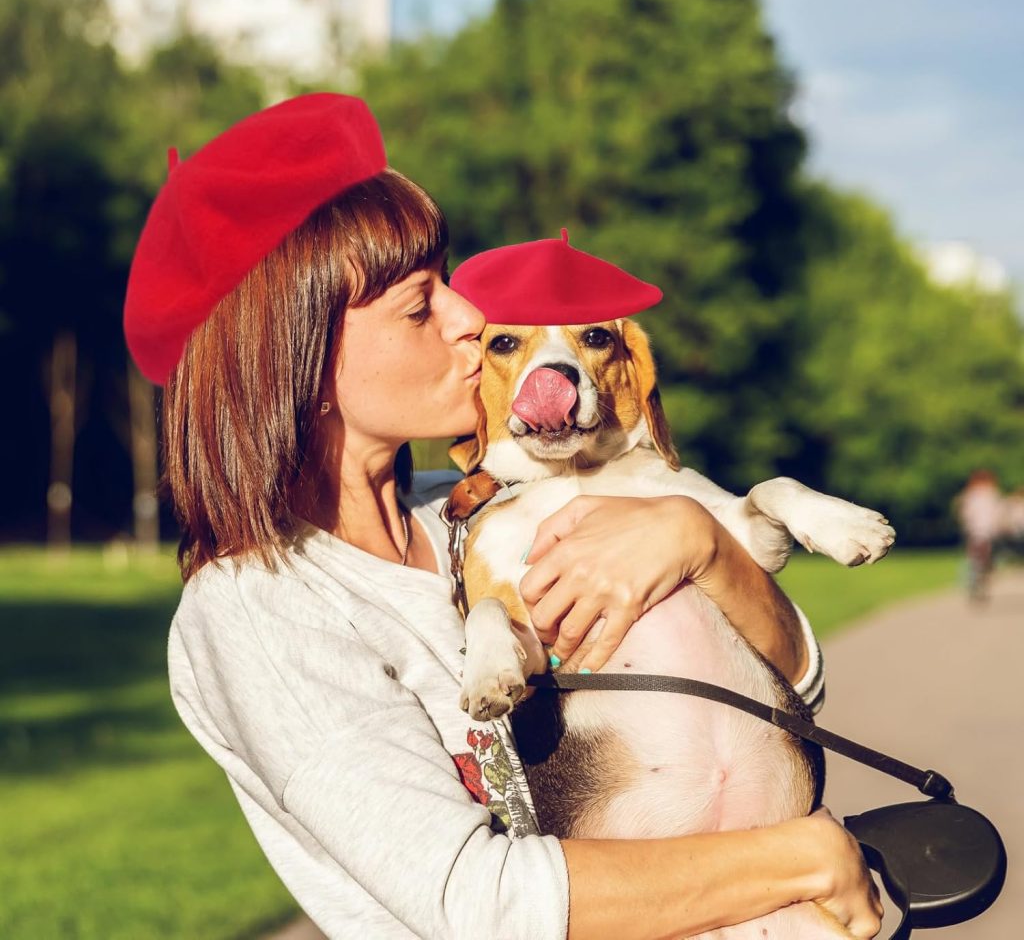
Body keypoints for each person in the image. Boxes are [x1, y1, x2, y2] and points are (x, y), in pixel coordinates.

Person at [124, 93, 882, 940]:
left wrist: (700, 543)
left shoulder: (476, 522)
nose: (468, 318)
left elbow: (794, 693)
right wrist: (798, 860)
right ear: (295, 359)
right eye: (421, 307)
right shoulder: (260, 610)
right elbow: (474, 903)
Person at [954, 470, 1004, 604]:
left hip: (976, 531)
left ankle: (975, 580)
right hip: (986, 531)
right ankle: (978, 580)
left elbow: (964, 513)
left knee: (976, 557)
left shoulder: (971, 494)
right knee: (983, 559)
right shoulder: (992, 493)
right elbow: (998, 514)